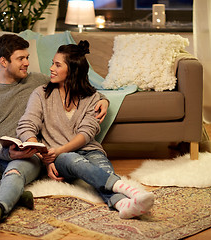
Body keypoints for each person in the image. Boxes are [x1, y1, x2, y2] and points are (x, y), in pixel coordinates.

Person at [0, 34, 110, 231]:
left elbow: (75, 83)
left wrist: (103, 99)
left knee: (15, 171)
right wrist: (6, 153)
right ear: (3, 62)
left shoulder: (37, 81)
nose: (27, 63)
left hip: (28, 156)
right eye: (21, 59)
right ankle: (4, 192)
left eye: (27, 57)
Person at [16, 40, 155, 219]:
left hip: (89, 151)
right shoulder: (41, 93)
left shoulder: (92, 98)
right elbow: (27, 125)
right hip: (61, 157)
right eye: (52, 63)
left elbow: (86, 134)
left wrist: (58, 150)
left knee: (103, 173)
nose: (51, 68)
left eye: (57, 65)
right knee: (71, 157)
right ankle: (131, 191)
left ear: (72, 70)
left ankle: (122, 204)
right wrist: (46, 156)